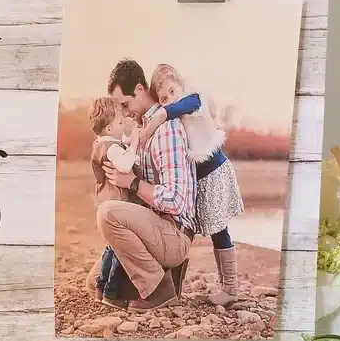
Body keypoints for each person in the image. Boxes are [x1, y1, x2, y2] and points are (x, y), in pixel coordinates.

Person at [91, 59, 197, 312]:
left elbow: (176, 200)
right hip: (152, 227)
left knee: (107, 214)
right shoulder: (142, 131)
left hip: (174, 233)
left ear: (139, 89)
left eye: (125, 105)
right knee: (92, 284)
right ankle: (163, 273)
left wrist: (133, 182)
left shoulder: (166, 129)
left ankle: (160, 289)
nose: (124, 113)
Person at [141, 64, 244, 306]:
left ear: (181, 84)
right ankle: (179, 281)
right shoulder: (178, 111)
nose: (168, 101)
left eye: (171, 92)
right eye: (163, 98)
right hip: (201, 178)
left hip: (214, 173)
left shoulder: (193, 100)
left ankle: (230, 288)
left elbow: (169, 112)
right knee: (191, 229)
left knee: (220, 231)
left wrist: (150, 126)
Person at [88, 97, 140, 307]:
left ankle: (101, 288)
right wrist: (135, 144)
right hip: (117, 204)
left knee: (111, 247)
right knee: (120, 249)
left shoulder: (101, 144)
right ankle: (112, 293)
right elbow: (125, 165)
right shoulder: (111, 148)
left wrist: (127, 140)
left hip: (105, 201)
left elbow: (119, 146)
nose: (123, 126)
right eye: (120, 123)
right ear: (109, 128)